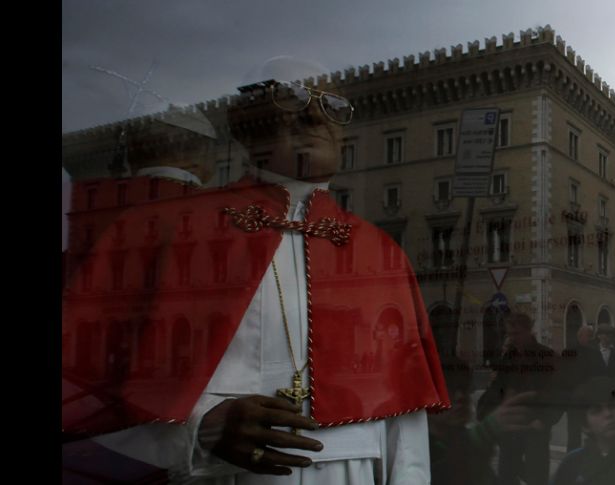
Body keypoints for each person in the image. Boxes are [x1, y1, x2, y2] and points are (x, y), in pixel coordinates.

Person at [62, 58, 450, 483]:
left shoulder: (380, 251)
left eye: (332, 104)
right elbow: (85, 395)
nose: (313, 114)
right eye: (293, 97)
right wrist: (197, 433)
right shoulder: (164, 230)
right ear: (244, 121)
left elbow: (406, 428)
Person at [476, 311, 564, 485]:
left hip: (535, 427)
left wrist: (544, 421)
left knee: (536, 476)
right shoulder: (509, 357)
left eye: (516, 333)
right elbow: (498, 387)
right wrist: (488, 413)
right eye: (509, 334)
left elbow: (558, 393)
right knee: (506, 475)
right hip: (510, 427)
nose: (512, 338)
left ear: (528, 331)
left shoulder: (547, 356)